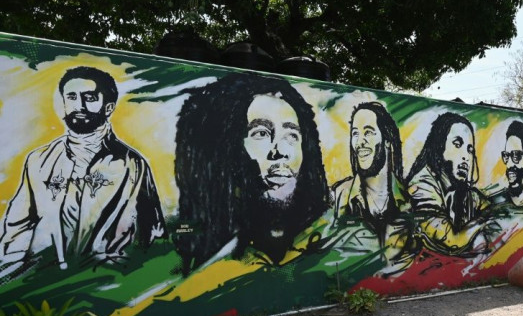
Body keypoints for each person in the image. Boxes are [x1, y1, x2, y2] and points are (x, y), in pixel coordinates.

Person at [0, 66, 165, 276]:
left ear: (108, 107)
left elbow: (152, 229)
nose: (79, 105)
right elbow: (19, 224)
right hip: (47, 281)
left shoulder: (132, 164)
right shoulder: (38, 161)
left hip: (108, 281)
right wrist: (13, 275)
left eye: (90, 97)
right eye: (71, 97)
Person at [175, 73, 329, 273]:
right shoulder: (212, 268)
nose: (280, 151)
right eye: (262, 134)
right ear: (228, 148)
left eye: (291, 135)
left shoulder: (328, 233)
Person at [331, 102, 415, 266]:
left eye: (368, 132)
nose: (360, 142)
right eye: (355, 133)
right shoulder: (339, 198)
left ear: (387, 141)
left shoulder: (408, 199)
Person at [406, 112, 497, 256]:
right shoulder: (422, 186)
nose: (465, 157)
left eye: (470, 150)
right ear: (439, 146)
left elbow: (491, 209)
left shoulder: (462, 190)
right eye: (457, 144)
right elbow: (450, 240)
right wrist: (481, 223)